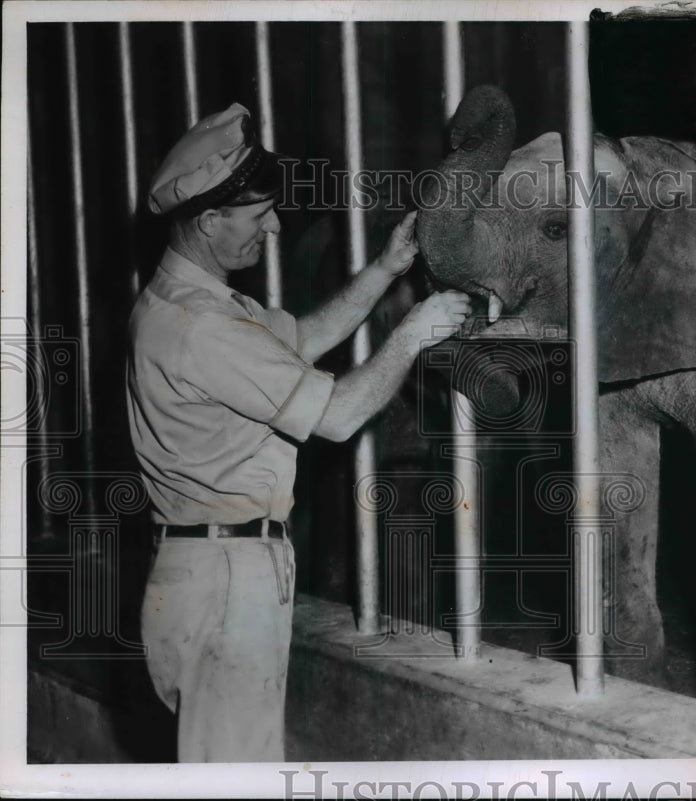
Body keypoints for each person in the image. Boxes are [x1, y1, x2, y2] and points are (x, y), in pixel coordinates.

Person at [126, 103, 470, 762]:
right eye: (259, 217)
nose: (276, 227)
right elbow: (337, 416)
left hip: (205, 567)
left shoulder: (184, 301)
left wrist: (384, 271)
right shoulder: (205, 330)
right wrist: (411, 335)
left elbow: (303, 339)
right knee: (238, 773)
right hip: (228, 581)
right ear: (207, 221)